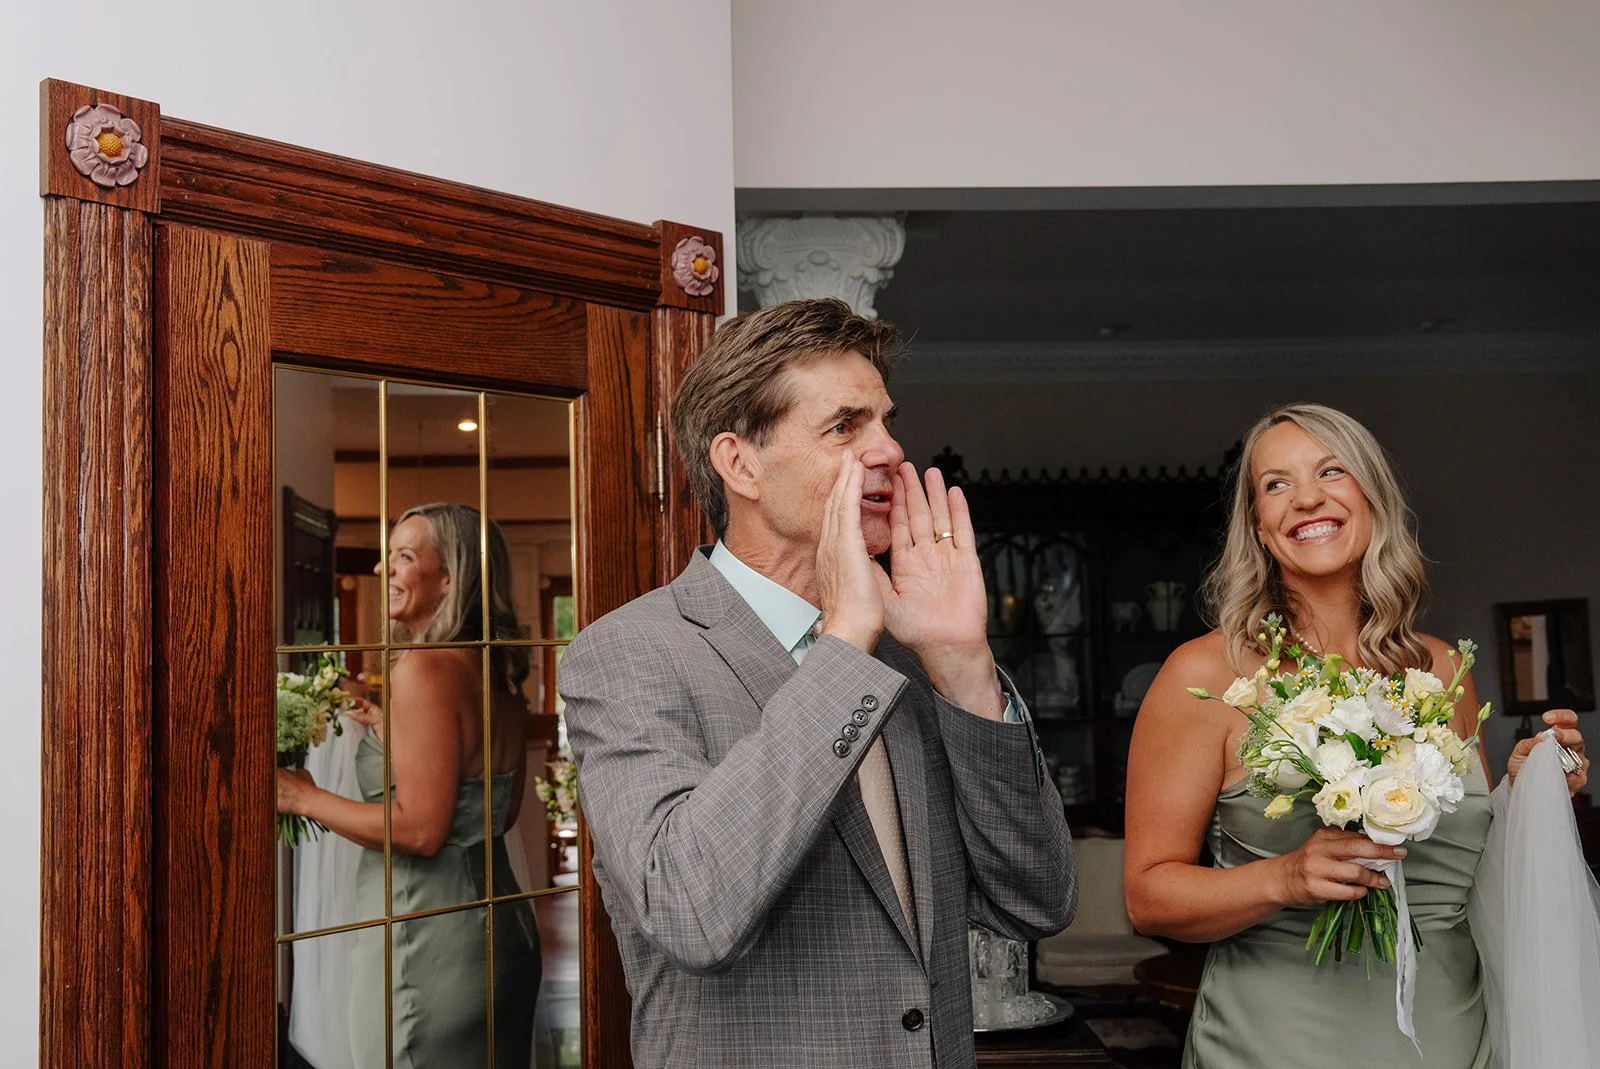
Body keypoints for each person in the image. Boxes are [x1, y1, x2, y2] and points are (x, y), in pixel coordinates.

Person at [559, 298, 1077, 1069]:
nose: (891, 450)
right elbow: (691, 910)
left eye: (886, 421)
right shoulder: (630, 654)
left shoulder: (915, 655)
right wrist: (842, 645)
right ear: (741, 464)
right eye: (845, 426)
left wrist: (964, 661)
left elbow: (1036, 900)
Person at [1123, 403, 1590, 1067]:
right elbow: (1148, 898)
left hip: (1452, 1036)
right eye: (1275, 484)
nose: (1306, 497)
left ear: (1372, 496)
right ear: (1258, 525)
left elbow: (1470, 873)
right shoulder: (1205, 675)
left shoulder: (1442, 668)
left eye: (1331, 471)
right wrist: (1283, 877)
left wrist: (1531, 789)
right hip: (1279, 1042)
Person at [276, 503, 540, 1069]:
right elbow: (497, 811)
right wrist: (389, 730)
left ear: (450, 578)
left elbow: (422, 830)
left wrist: (302, 796)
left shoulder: (422, 669)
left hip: (426, 945)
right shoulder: (497, 670)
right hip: (503, 934)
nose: (382, 570)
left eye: (403, 557)